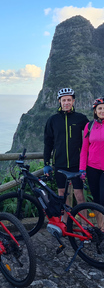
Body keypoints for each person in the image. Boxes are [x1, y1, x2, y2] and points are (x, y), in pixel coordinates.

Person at [44, 88, 89, 221]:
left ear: (73, 101)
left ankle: (85, 225)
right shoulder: (52, 120)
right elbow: (48, 143)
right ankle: (66, 223)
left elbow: (90, 137)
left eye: (69, 100)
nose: (66, 102)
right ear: (59, 101)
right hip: (59, 163)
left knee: (79, 195)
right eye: (64, 100)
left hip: (76, 164)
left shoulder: (81, 118)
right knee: (62, 195)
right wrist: (46, 163)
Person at [79, 97, 104, 207]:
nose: (102, 111)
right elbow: (84, 149)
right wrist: (82, 169)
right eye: (100, 108)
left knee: (103, 200)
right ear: (95, 110)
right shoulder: (89, 126)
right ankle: (100, 225)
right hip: (92, 168)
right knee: (97, 200)